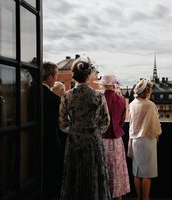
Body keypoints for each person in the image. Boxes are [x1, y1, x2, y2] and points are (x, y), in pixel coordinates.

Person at [59, 58, 111, 200]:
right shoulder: (98, 96)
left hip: (75, 140)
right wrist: (95, 132)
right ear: (88, 76)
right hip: (93, 141)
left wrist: (74, 130)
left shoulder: (66, 96)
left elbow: (62, 123)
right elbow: (106, 121)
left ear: (74, 75)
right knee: (94, 173)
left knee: (74, 174)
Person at [94, 74, 130, 200]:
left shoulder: (98, 98)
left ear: (103, 85)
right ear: (114, 85)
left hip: (101, 139)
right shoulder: (121, 99)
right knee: (116, 171)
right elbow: (122, 120)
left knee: (102, 170)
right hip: (116, 140)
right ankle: (117, 196)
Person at [128, 79, 161, 200]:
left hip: (135, 141)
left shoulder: (132, 104)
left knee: (137, 172)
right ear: (147, 91)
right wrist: (157, 133)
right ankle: (146, 198)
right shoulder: (150, 105)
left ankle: (139, 197)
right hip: (147, 140)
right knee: (147, 174)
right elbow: (155, 125)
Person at [42, 61, 61, 200]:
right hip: (49, 142)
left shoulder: (29, 92)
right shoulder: (53, 99)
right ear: (49, 77)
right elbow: (57, 124)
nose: (56, 79)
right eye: (55, 76)